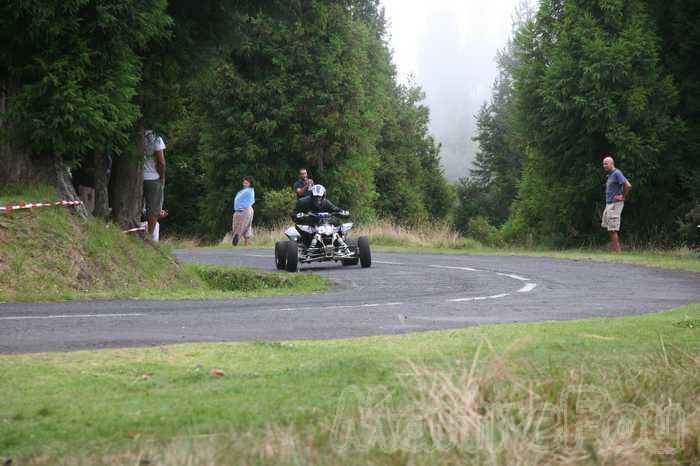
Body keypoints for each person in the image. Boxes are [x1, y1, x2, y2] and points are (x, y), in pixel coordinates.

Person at [601, 156, 632, 253]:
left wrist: (623, 196)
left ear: (612, 163)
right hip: (609, 204)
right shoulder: (610, 175)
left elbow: (628, 185)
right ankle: (615, 250)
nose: (604, 165)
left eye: (606, 163)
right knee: (610, 228)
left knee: (613, 228)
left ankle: (618, 251)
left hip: (615, 204)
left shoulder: (617, 173)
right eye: (603, 164)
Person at [142, 129, 166, 237]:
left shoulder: (136, 137)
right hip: (153, 177)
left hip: (137, 177)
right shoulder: (156, 138)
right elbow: (161, 162)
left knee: (138, 206)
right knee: (153, 209)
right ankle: (149, 236)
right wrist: (162, 177)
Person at [232, 177, 255, 246]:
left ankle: (237, 238)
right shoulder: (243, 191)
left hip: (245, 210)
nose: (244, 184)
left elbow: (251, 201)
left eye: (246, 183)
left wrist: (245, 208)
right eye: (244, 183)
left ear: (250, 184)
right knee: (244, 226)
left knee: (242, 226)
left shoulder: (249, 190)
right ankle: (244, 242)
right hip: (240, 210)